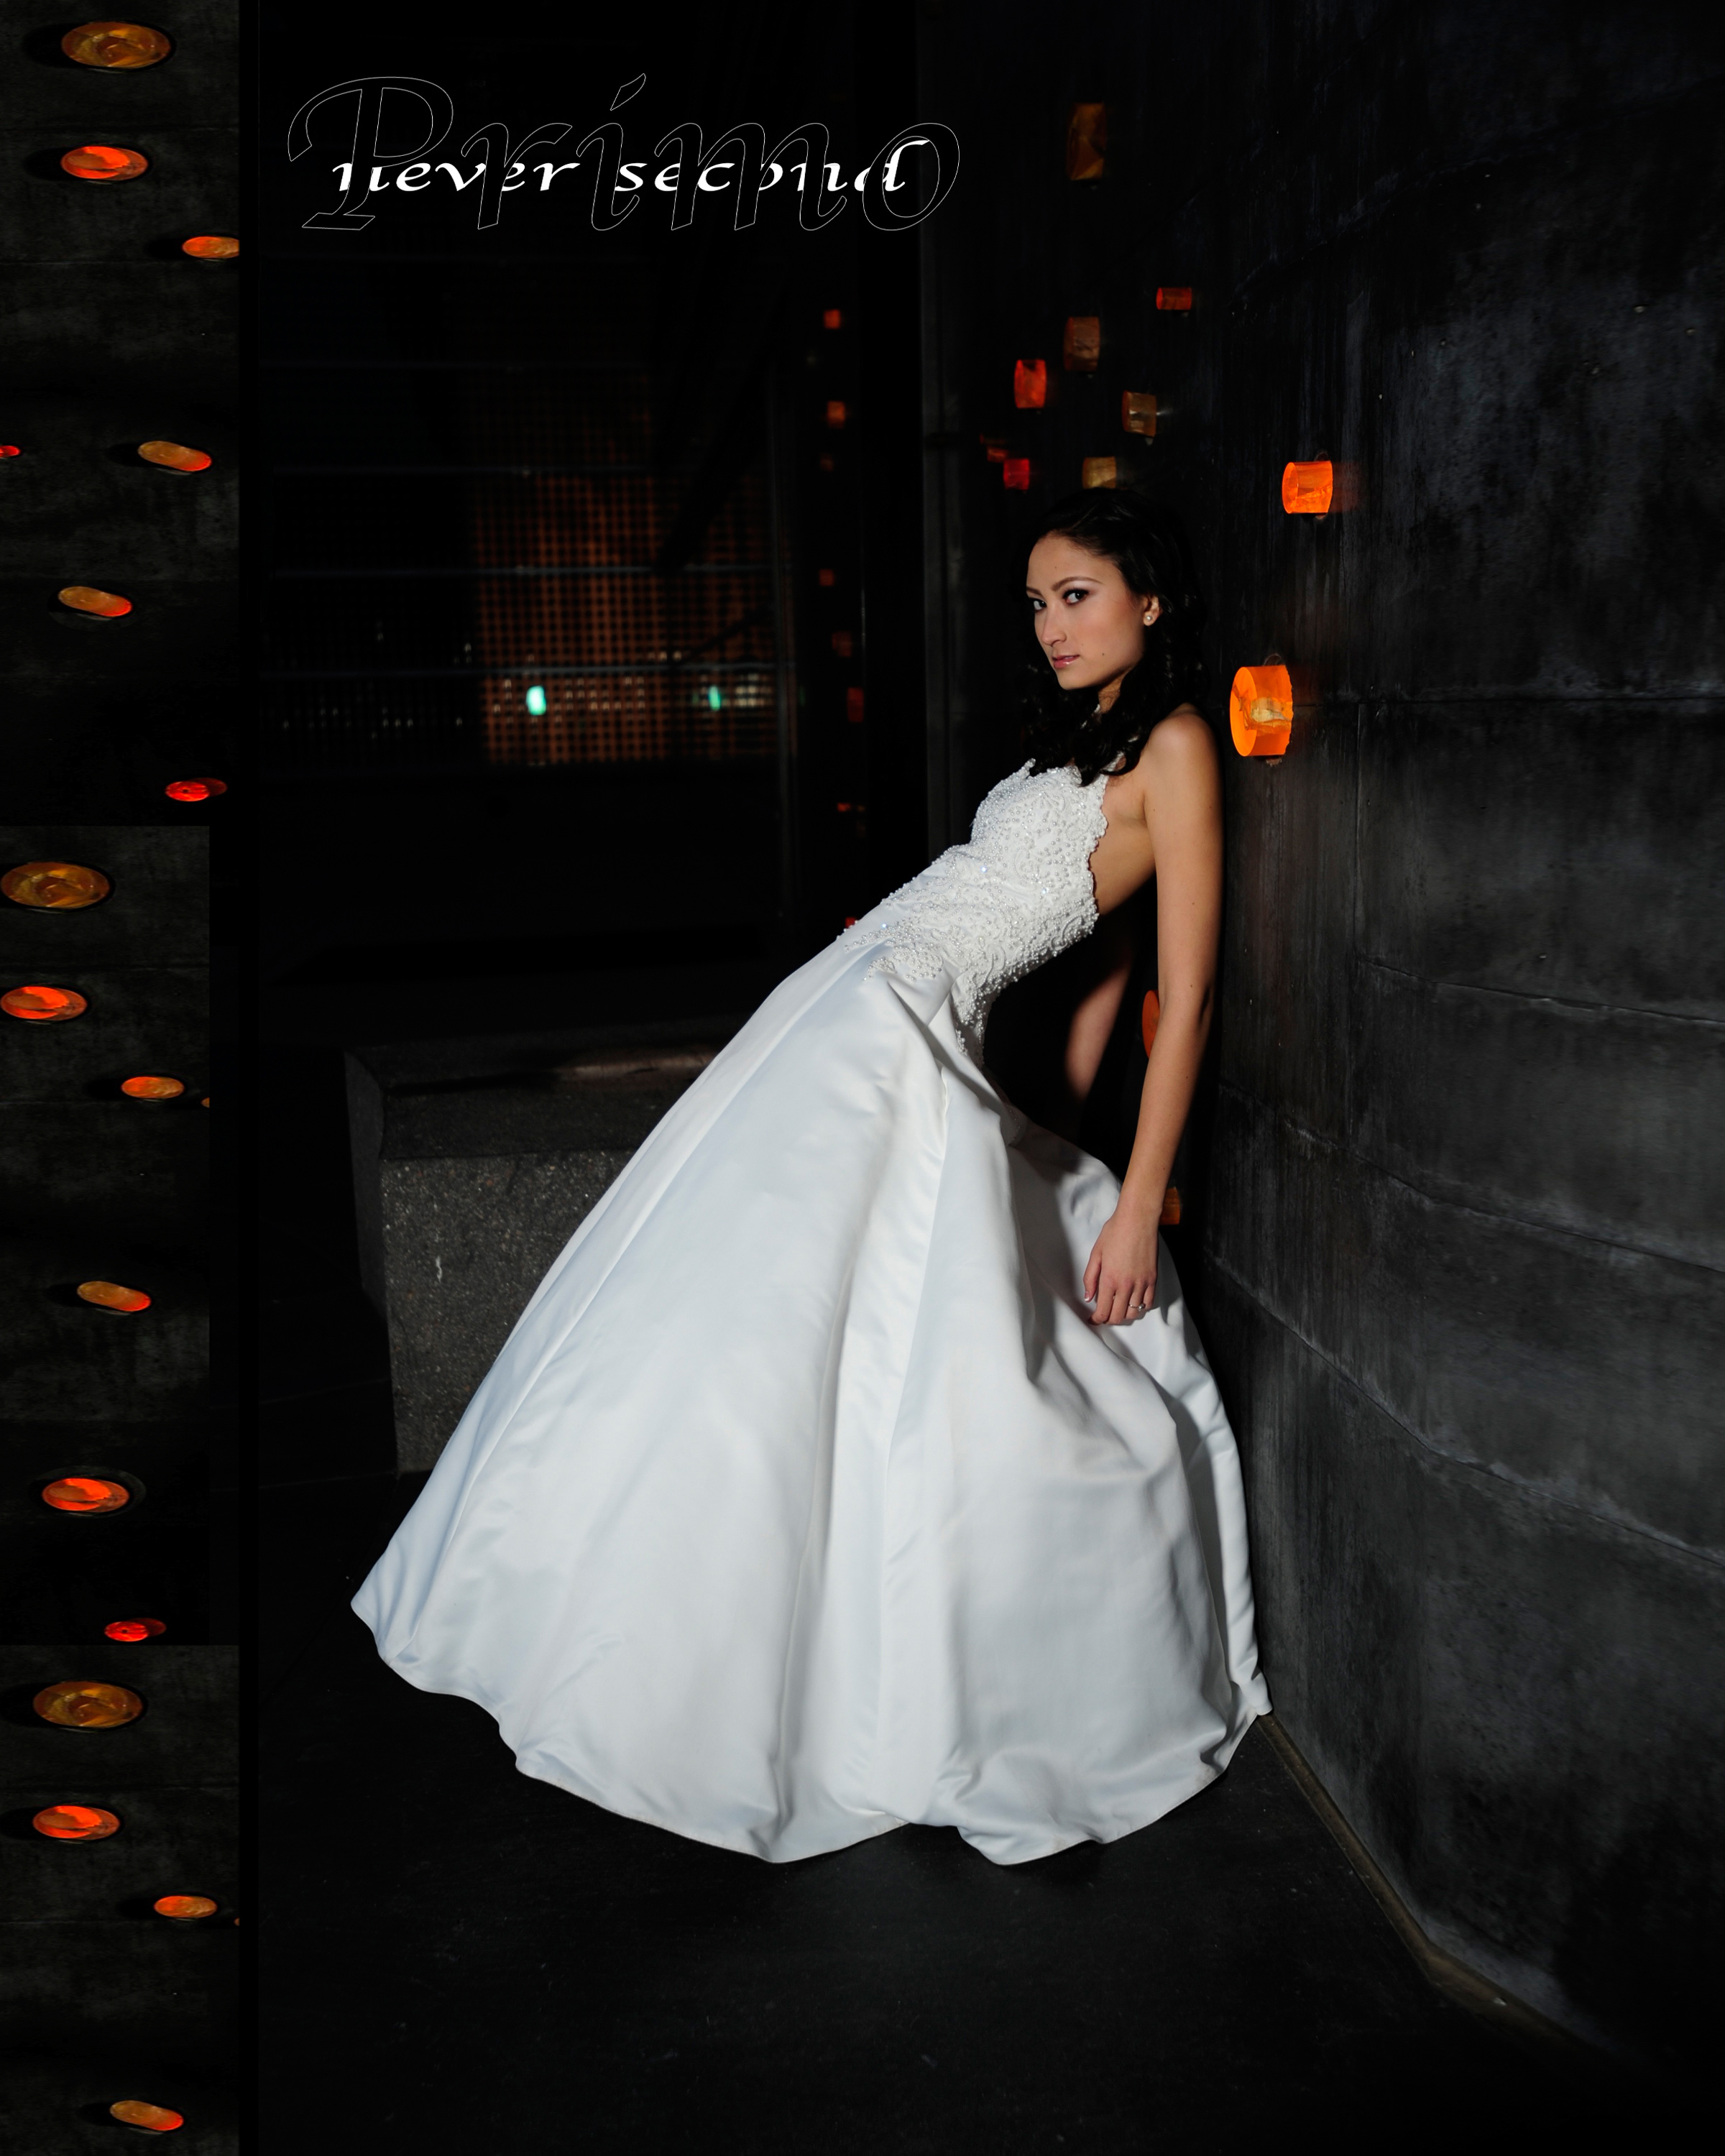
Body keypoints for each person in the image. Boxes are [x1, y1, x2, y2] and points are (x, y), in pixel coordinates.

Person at [353, 487, 1270, 1866]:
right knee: (745, 1312)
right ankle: (639, 1623)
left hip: (898, 1024)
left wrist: (1131, 1198)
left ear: (1151, 597)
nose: (1050, 625)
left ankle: (801, 1660)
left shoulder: (1182, 744)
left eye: (1076, 595)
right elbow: (1093, 978)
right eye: (1035, 603)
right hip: (854, 1001)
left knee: (833, 1335)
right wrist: (1058, 1126)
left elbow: (1175, 995)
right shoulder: (1080, 742)